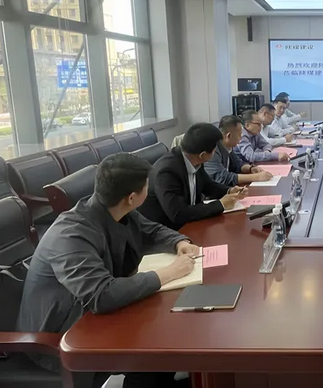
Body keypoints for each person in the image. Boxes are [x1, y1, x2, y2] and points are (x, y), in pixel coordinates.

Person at [17, 153, 199, 388]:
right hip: (60, 335)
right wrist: (170, 272)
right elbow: (101, 295)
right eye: (147, 186)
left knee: (166, 329)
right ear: (132, 197)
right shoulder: (70, 234)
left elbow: (152, 230)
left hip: (94, 317)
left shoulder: (114, 209)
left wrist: (178, 242)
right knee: (150, 350)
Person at [139, 123, 247, 230]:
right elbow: (178, 214)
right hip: (164, 230)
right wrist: (220, 204)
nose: (215, 152)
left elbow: (208, 185)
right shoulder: (167, 172)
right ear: (203, 155)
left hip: (189, 223)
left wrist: (229, 190)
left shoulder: (194, 159)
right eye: (215, 150)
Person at [204, 115, 274, 186]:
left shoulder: (228, 146)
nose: (241, 137)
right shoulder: (212, 149)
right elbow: (221, 177)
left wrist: (250, 168)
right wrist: (256, 177)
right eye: (240, 134)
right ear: (229, 136)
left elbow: (237, 164)